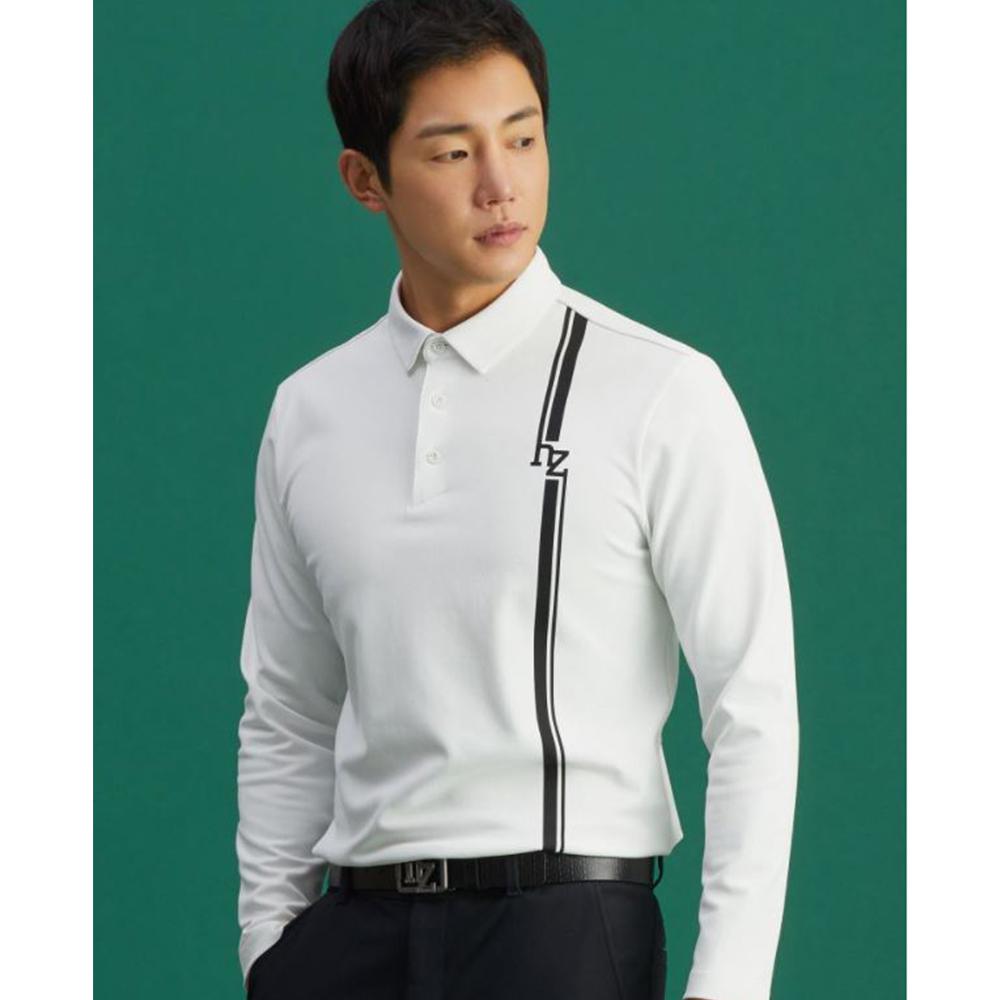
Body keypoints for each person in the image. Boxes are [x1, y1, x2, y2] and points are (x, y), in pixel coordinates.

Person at [234, 1, 799, 998]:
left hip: (561, 931)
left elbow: (753, 703)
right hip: (351, 938)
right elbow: (288, 705)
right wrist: (268, 947)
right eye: (453, 153)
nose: (501, 184)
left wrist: (730, 987)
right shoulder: (309, 410)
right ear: (366, 179)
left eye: (524, 138)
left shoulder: (659, 388)